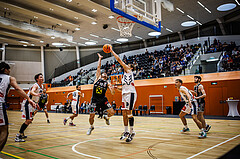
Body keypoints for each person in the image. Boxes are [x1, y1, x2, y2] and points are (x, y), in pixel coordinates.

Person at [0, 62, 36, 150]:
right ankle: (20, 134)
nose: (9, 71)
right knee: (4, 131)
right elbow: (17, 88)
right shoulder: (9, 78)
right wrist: (28, 98)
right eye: (9, 70)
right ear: (5, 69)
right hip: (0, 104)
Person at [110, 47, 137, 142]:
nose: (125, 66)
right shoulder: (124, 76)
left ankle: (132, 132)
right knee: (124, 113)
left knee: (129, 113)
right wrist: (117, 88)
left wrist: (111, 51)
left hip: (131, 93)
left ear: (131, 68)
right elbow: (123, 88)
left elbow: (119, 60)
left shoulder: (129, 71)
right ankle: (125, 131)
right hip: (125, 94)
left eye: (127, 65)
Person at [86, 53, 115, 135]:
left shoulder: (107, 83)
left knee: (112, 112)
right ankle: (91, 126)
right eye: (104, 73)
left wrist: (112, 89)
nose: (105, 73)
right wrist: (100, 58)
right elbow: (98, 67)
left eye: (106, 74)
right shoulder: (97, 78)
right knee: (91, 116)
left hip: (103, 100)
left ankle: (107, 117)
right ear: (101, 75)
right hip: (94, 100)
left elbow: (113, 93)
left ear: (106, 77)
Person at [15, 73, 42, 142]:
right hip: (28, 103)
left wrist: (37, 103)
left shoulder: (41, 86)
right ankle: (18, 135)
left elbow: (36, 97)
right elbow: (32, 92)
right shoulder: (35, 85)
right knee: (28, 120)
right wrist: (36, 94)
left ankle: (22, 133)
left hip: (32, 103)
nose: (42, 78)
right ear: (37, 79)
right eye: (40, 77)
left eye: (42, 77)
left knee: (30, 120)